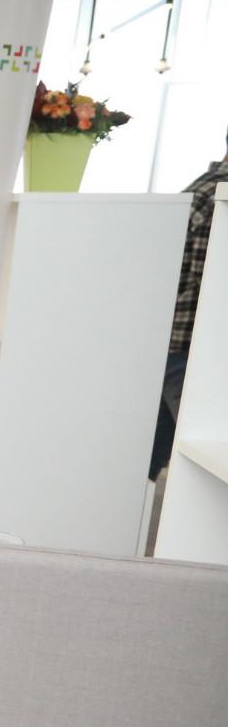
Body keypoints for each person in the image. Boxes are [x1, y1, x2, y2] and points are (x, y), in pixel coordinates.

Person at [151, 129, 228, 480]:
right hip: (190, 350)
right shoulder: (219, 195)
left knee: (152, 458)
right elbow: (211, 281)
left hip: (173, 340)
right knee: (205, 460)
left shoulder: (202, 186)